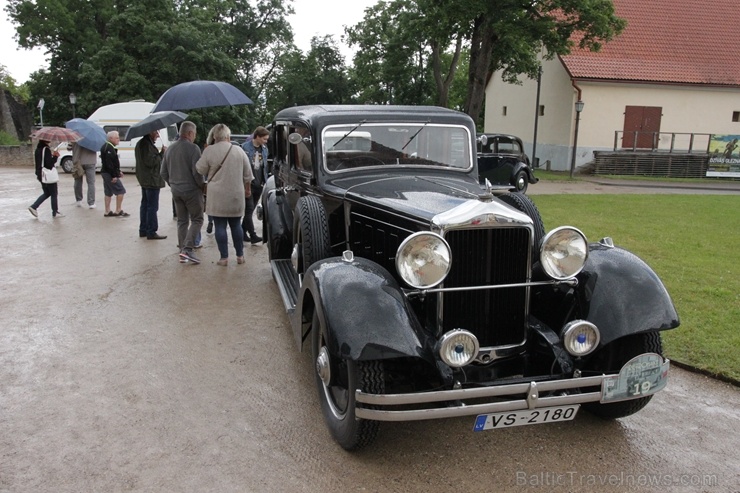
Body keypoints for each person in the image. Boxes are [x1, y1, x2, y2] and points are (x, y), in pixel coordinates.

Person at [196, 123, 253, 266]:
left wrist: (205, 152)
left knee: (219, 226)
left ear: (214, 136)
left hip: (217, 195)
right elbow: (248, 174)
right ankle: (240, 256)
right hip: (236, 194)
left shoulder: (209, 151)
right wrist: (248, 189)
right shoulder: (239, 150)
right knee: (236, 225)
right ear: (228, 136)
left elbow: (200, 170)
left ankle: (224, 258)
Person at [161, 121, 204, 264]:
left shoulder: (170, 149)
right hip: (191, 190)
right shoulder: (194, 149)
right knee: (197, 219)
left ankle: (182, 252)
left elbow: (163, 172)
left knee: (182, 221)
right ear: (190, 133)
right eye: (195, 133)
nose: (195, 136)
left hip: (176, 190)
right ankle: (188, 249)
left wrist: (172, 183)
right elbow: (196, 172)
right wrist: (202, 186)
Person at [135, 130, 167, 240]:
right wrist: (162, 153)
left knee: (145, 205)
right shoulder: (146, 145)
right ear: (150, 133)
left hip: (146, 179)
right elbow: (151, 162)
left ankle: (143, 229)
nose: (158, 135)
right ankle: (151, 231)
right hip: (151, 180)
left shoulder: (142, 143)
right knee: (152, 207)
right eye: (156, 133)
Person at [241, 126, 269, 244]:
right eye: (264, 139)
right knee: (249, 209)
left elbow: (265, 166)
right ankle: (252, 235)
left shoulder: (264, 149)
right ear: (257, 137)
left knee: (250, 210)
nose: (265, 141)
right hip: (248, 183)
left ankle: (242, 232)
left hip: (259, 182)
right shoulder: (244, 148)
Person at [28, 139, 62, 218]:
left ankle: (34, 207)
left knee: (47, 193)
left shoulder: (38, 149)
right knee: (53, 193)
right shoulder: (46, 150)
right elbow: (49, 164)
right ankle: (55, 212)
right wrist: (55, 157)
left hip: (41, 175)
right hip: (47, 175)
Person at [100, 131, 130, 217]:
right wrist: (114, 175)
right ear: (110, 138)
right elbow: (109, 164)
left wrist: (118, 171)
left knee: (108, 191)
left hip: (105, 172)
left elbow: (110, 163)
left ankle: (107, 211)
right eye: (117, 138)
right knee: (121, 190)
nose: (119, 140)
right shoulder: (108, 148)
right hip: (108, 173)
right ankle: (118, 210)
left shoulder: (108, 147)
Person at [72, 143, 97, 209]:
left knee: (78, 181)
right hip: (90, 161)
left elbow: (69, 148)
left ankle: (79, 200)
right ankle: (91, 203)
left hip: (78, 161)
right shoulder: (93, 138)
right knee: (91, 183)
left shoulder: (76, 136)